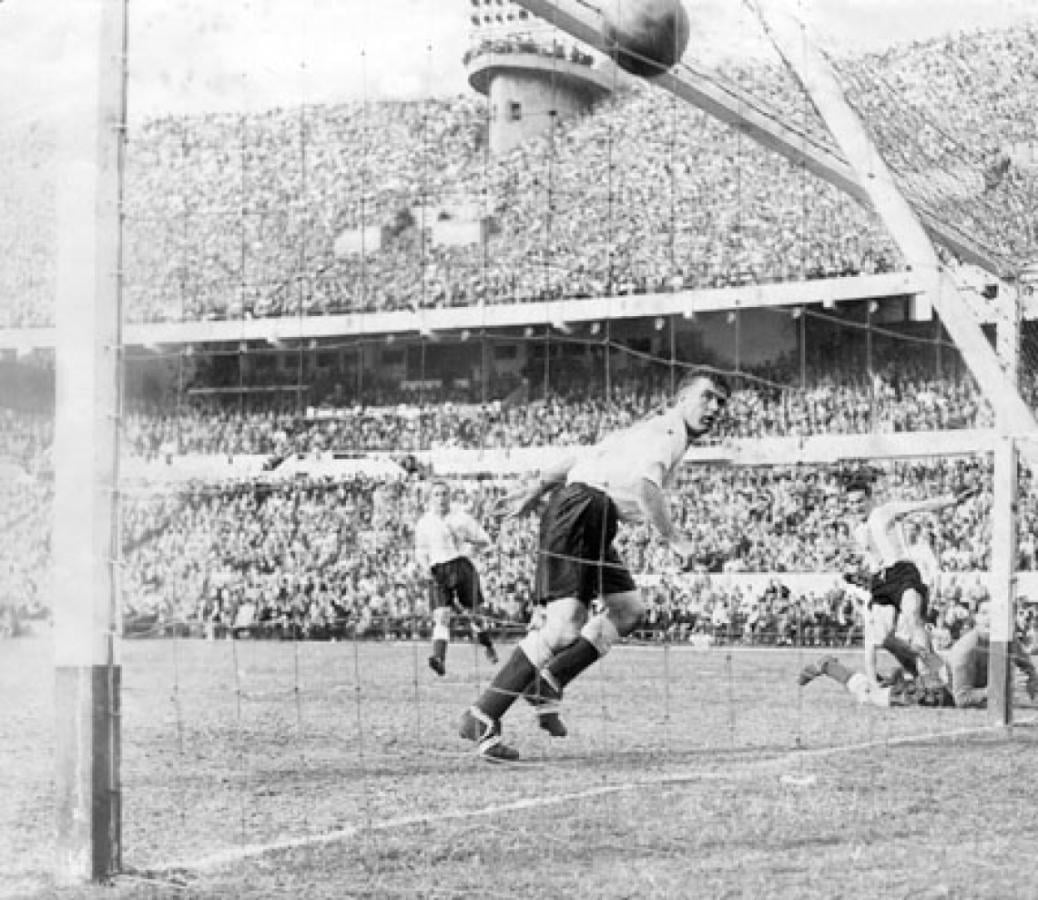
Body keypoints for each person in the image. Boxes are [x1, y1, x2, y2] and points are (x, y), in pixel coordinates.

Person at [458, 369, 730, 760]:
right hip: (583, 509)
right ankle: (483, 713)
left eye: (721, 402)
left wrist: (535, 489)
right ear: (682, 397)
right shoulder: (669, 435)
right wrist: (674, 538)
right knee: (564, 626)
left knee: (628, 610)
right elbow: (645, 487)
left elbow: (579, 457)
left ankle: (549, 681)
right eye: (707, 397)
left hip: (594, 514)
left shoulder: (646, 428)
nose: (715, 408)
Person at [844, 474, 977, 687]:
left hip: (902, 571)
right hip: (880, 581)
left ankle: (932, 675)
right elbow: (872, 559)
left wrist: (952, 500)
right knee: (884, 637)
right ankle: (919, 666)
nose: (856, 506)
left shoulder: (884, 512)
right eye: (851, 503)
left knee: (913, 618)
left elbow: (921, 506)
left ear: (870, 498)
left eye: (860, 501)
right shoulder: (858, 530)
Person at [798, 600, 1038, 708]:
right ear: (975, 618)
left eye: (996, 612)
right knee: (869, 695)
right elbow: (961, 699)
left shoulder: (1007, 639)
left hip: (938, 673)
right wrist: (995, 691)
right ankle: (828, 665)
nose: (992, 618)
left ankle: (892, 677)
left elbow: (1027, 666)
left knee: (886, 683)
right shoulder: (967, 649)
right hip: (934, 692)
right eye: (985, 613)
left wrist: (1032, 680)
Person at [414, 480, 498, 677]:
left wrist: (469, 543)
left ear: (450, 497)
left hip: (461, 566)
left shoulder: (462, 519)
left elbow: (485, 541)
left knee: (475, 615)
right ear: (430, 498)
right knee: (441, 615)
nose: (441, 498)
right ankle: (439, 659)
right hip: (438, 570)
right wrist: (425, 568)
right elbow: (420, 550)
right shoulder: (424, 523)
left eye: (444, 494)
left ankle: (487, 644)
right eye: (436, 494)